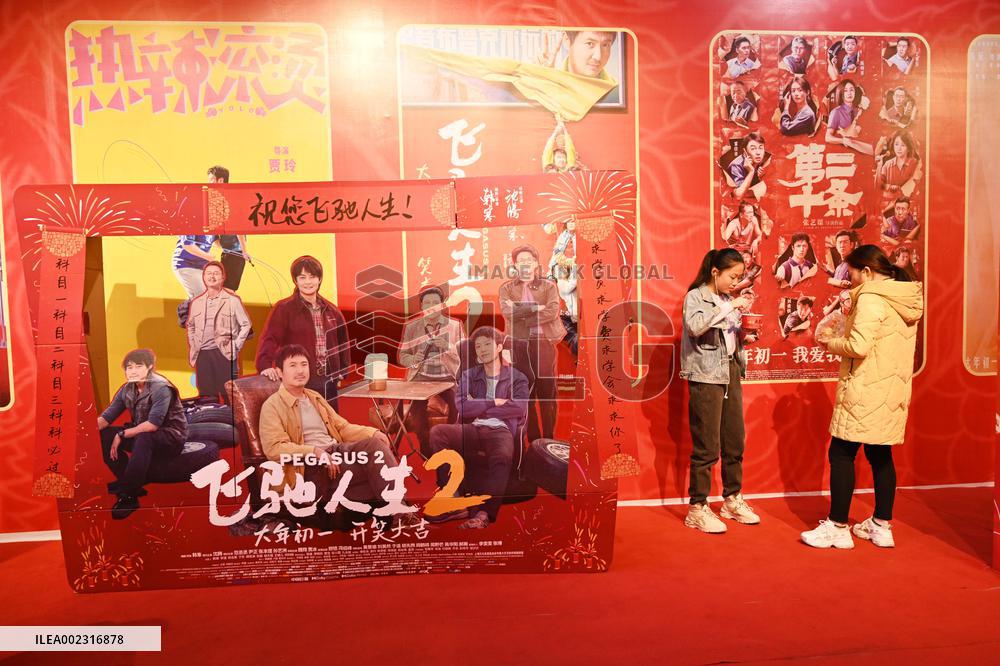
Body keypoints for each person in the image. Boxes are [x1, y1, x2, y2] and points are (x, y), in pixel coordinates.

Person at [802, 245, 923, 549]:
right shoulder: (903, 296)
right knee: (880, 455)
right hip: (890, 388)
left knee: (841, 453)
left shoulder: (870, 297)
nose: (851, 279)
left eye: (853, 273)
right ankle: (881, 525)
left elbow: (858, 346)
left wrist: (829, 341)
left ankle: (838, 526)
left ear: (867, 272)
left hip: (865, 387)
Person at [259, 345, 415, 528]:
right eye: (292, 365)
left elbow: (342, 427)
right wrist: (314, 451)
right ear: (279, 371)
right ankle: (399, 512)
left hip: (338, 453)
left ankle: (397, 512)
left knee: (374, 445)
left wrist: (372, 432)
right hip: (310, 466)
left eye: (304, 364)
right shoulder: (272, 406)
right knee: (377, 465)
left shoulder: (313, 396)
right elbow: (274, 448)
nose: (300, 370)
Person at [680, 249, 760, 533]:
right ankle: (697, 507)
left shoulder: (727, 299)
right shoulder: (696, 297)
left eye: (739, 277)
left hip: (731, 371)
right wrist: (729, 307)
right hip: (706, 375)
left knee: (734, 439)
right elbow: (695, 327)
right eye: (732, 276)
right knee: (707, 445)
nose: (735, 282)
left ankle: (731, 498)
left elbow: (727, 335)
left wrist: (744, 336)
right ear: (715, 272)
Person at [427, 326, 528, 529]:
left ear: (499, 347)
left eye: (487, 345)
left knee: (502, 456)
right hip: (474, 428)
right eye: (478, 346)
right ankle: (451, 498)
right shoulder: (469, 375)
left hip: (501, 430)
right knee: (438, 432)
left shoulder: (517, 377)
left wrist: (480, 407)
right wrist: (494, 403)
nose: (481, 350)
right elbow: (462, 406)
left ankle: (484, 514)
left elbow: (518, 407)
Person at [97, 349, 187, 520]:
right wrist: (83, 432)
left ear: (150, 367)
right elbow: (106, 418)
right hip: (141, 434)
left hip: (170, 437)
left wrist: (122, 434)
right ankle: (129, 480)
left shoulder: (161, 388)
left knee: (144, 437)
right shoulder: (127, 389)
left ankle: (129, 496)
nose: (133, 371)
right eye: (129, 367)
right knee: (105, 435)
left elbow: (153, 425)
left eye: (139, 366)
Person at [256, 255, 351, 408]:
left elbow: (343, 343)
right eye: (302, 277)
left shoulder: (332, 311)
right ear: (296, 281)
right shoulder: (284, 308)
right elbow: (270, 338)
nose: (308, 282)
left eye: (312, 277)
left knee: (331, 427)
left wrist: (342, 372)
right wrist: (265, 365)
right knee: (301, 426)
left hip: (328, 382)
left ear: (319, 279)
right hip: (298, 380)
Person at [499, 245, 566, 442]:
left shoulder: (549, 286)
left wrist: (523, 314)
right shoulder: (506, 288)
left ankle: (549, 440)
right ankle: (534, 440)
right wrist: (537, 308)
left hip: (543, 343)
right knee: (524, 393)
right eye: (521, 260)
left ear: (536, 263)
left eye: (529, 259)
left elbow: (552, 311)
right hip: (519, 345)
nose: (525, 263)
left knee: (547, 393)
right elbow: (508, 313)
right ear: (515, 265)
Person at [398, 286, 465, 457]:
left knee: (459, 404)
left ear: (442, 305)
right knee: (417, 409)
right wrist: (414, 360)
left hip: (447, 377)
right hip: (420, 377)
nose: (431, 306)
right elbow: (402, 356)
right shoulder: (412, 327)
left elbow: (466, 353)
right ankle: (425, 444)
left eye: (436, 302)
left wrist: (449, 347)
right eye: (427, 302)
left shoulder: (455, 326)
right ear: (421, 306)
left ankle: (450, 442)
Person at [186, 261, 253, 400]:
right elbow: (190, 326)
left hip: (224, 354)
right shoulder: (197, 302)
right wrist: (194, 345)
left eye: (216, 273)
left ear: (223, 277)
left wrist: (235, 346)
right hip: (202, 355)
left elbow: (246, 324)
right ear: (203, 277)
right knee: (206, 397)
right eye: (208, 273)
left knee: (229, 396)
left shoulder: (232, 300)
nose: (212, 276)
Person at [207, 166, 252, 291]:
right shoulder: (214, 201)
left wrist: (243, 251)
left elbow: (238, 228)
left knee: (228, 290)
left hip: (235, 254)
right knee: (224, 289)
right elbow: (214, 234)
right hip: (228, 253)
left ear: (220, 181)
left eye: (211, 180)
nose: (208, 183)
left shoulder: (229, 199)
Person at [825, 80, 873, 154]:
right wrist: (843, 140)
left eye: (851, 90)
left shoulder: (858, 111)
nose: (849, 93)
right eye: (845, 91)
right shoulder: (836, 112)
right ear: (841, 93)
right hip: (844, 153)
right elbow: (828, 137)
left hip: (860, 150)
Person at [549, 219, 578, 321]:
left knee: (572, 292)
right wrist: (561, 260)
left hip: (577, 265)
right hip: (561, 264)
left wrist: (573, 260)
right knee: (564, 290)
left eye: (573, 221)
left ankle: (574, 314)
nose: (570, 224)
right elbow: (556, 250)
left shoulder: (580, 235)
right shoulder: (563, 235)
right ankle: (573, 313)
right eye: (569, 222)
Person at [727, 132, 769, 200]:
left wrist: (761, 177)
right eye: (753, 149)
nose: (758, 153)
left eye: (761, 148)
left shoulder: (765, 159)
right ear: (745, 151)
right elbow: (738, 196)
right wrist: (751, 171)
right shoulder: (736, 166)